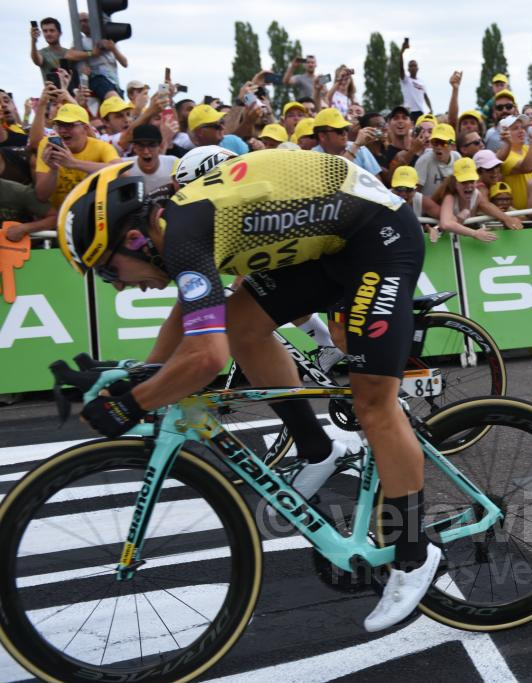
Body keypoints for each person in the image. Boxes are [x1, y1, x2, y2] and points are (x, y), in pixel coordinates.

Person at [57, 150, 441, 632]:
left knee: (373, 405)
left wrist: (132, 404)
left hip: (379, 237)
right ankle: (317, 448)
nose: (116, 287)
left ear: (133, 240)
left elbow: (206, 359)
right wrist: (137, 376)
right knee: (242, 325)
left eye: (109, 271)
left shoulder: (181, 232)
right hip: (331, 245)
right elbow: (192, 315)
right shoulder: (176, 228)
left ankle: (413, 555)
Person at [35, 103, 120, 208]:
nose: (62, 130)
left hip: (89, 214)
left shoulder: (101, 147)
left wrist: (74, 163)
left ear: (85, 128)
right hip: (57, 216)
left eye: (69, 125)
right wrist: (53, 169)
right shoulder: (47, 145)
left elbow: (122, 171)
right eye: (59, 125)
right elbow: (41, 196)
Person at [123, 124, 176, 196]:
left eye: (152, 145)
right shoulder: (123, 166)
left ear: (160, 147)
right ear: (134, 148)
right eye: (141, 146)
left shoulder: (173, 163)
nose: (146, 151)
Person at [415, 123, 460, 197]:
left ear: (453, 146)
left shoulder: (457, 158)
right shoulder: (424, 160)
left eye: (443, 143)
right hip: (427, 206)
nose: (438, 147)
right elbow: (416, 193)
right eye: (435, 142)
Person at [398, 38, 431, 119]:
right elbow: (401, 67)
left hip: (420, 112)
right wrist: (402, 51)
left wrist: (431, 109)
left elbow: (425, 96)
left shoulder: (421, 82)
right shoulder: (406, 80)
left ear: (417, 68)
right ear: (408, 69)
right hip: (409, 111)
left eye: (414, 65)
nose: (413, 67)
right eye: (411, 66)